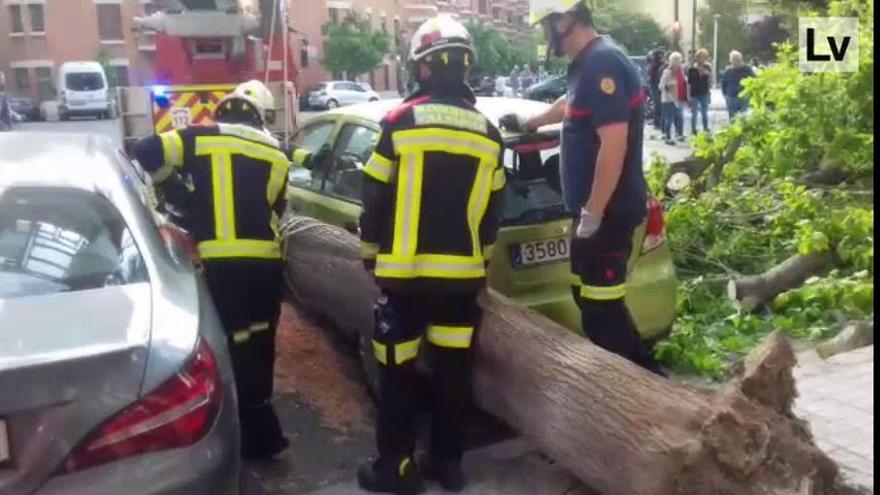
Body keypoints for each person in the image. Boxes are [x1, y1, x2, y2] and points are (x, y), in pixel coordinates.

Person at [356, 15, 506, 495]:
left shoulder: (400, 123)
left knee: (397, 374)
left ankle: (396, 470)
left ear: (422, 69)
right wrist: (479, 262)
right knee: (452, 375)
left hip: (404, 282)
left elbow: (374, 194)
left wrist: (369, 251)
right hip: (461, 285)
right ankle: (448, 464)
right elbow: (492, 214)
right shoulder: (488, 133)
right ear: (465, 68)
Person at [501, 0, 665, 376]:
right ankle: (644, 386)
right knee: (590, 300)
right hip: (593, 216)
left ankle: (646, 391)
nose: (544, 35)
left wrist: (592, 214)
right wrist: (533, 121)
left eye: (546, 25)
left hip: (607, 214)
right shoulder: (587, 64)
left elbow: (613, 144)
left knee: (602, 313)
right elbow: (570, 102)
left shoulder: (602, 63)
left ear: (566, 21)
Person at [134, 80, 290, 461]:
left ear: (223, 113)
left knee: (234, 347)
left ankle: (242, 432)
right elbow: (278, 209)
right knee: (261, 343)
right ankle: (262, 429)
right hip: (267, 267)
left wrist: (179, 193)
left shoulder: (200, 138)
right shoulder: (277, 154)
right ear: (259, 118)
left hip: (224, 266)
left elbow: (146, 150)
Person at [659, 51, 687, 145]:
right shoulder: (667, 71)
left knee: (678, 117)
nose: (677, 63)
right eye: (675, 60)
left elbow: (684, 83)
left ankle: (679, 134)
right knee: (669, 118)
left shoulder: (681, 71)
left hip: (678, 98)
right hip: (668, 99)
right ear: (671, 61)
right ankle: (667, 136)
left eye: (678, 60)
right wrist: (669, 85)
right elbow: (661, 86)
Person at [721, 50, 756, 119]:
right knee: (732, 118)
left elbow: (754, 80)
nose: (735, 62)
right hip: (731, 97)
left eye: (737, 60)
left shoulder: (747, 70)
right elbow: (723, 83)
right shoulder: (728, 71)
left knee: (744, 118)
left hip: (744, 98)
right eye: (733, 60)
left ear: (741, 60)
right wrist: (725, 95)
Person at [687, 48, 712, 135]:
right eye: (700, 57)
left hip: (704, 92)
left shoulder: (707, 67)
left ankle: (706, 128)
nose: (702, 59)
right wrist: (688, 95)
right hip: (694, 93)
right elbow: (689, 83)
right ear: (697, 58)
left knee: (704, 112)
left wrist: (709, 93)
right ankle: (693, 129)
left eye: (704, 57)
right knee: (694, 113)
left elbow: (707, 77)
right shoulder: (691, 69)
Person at [646, 48, 666, 129]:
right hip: (655, 86)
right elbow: (649, 73)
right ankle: (657, 122)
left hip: (658, 86)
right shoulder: (654, 65)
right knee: (658, 105)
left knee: (659, 105)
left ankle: (659, 122)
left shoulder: (661, 65)